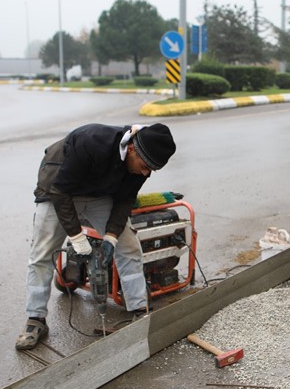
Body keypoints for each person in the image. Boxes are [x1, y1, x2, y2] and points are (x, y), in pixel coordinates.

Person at [15, 123, 176, 350]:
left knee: (128, 246)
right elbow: (61, 192)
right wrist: (77, 237)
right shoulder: (91, 141)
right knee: (42, 253)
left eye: (152, 170)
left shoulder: (142, 162)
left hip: (100, 193)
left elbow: (124, 200)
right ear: (131, 149)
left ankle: (140, 310)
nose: (146, 173)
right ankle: (36, 319)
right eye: (144, 166)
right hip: (58, 189)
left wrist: (111, 238)